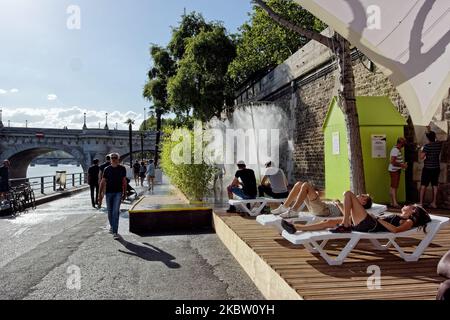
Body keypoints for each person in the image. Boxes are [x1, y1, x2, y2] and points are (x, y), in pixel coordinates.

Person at [281, 191, 431, 235]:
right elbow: (349, 211)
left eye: (410, 206)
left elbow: (396, 230)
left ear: (414, 211)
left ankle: (345, 224)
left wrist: (377, 219)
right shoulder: (402, 217)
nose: (407, 205)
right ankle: (297, 228)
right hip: (368, 223)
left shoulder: (409, 221)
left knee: (348, 194)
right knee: (328, 222)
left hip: (370, 224)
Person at [271, 180, 343, 218]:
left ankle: (294, 210)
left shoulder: (345, 205)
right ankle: (284, 207)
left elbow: (346, 214)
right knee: (299, 184)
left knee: (306, 185)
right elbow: (324, 195)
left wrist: (338, 204)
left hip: (324, 210)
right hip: (319, 207)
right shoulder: (341, 200)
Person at [98, 153, 127, 240]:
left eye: (115, 158)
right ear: (110, 159)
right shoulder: (107, 169)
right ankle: (112, 226)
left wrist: (125, 193)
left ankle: (115, 232)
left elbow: (124, 181)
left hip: (118, 192)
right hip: (108, 193)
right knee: (110, 212)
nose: (113, 159)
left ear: (118, 159)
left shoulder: (122, 168)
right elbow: (103, 181)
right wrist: (100, 194)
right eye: (112, 158)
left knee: (115, 212)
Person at [419, 130, 443, 208]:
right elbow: (437, 139)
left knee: (423, 185)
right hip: (436, 167)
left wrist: (421, 149)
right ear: (434, 137)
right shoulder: (439, 145)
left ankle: (421, 203)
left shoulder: (427, 146)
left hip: (427, 168)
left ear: (428, 138)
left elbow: (421, 157)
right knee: (435, 185)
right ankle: (434, 203)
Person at [388, 137, 407, 208]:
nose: (404, 145)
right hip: (394, 170)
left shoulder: (396, 149)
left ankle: (392, 202)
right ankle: (395, 203)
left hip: (395, 170)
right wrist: (402, 165)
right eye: (403, 144)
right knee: (394, 187)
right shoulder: (395, 150)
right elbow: (392, 162)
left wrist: (402, 165)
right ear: (400, 143)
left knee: (393, 186)